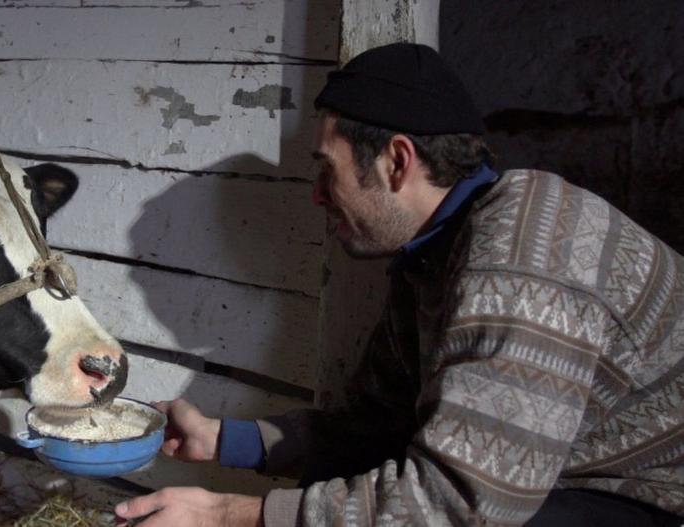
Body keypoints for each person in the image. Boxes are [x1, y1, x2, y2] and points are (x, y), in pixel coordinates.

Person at [113, 43, 684, 526]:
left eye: (327, 168)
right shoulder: (432, 257)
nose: (317, 194)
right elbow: (376, 428)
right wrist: (223, 439)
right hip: (556, 485)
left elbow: (462, 502)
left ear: (397, 161)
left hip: (649, 498)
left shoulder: (527, 258)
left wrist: (226, 515)